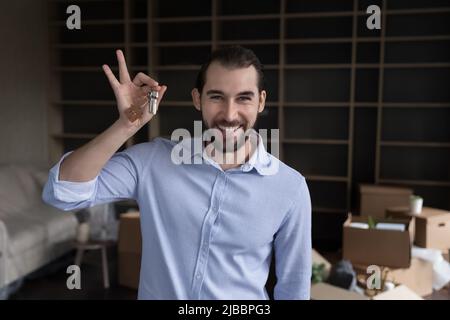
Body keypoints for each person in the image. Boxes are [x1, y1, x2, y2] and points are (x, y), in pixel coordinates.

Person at [42, 45, 312, 300]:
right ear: (198, 99)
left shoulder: (290, 187)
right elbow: (63, 192)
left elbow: (294, 287)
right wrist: (126, 125)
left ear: (261, 101)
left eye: (244, 98)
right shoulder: (153, 161)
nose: (230, 114)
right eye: (216, 97)